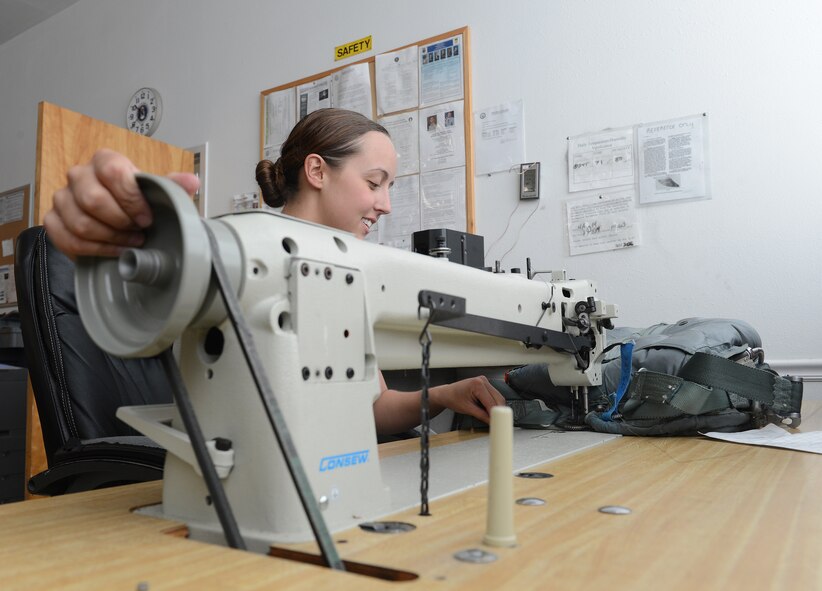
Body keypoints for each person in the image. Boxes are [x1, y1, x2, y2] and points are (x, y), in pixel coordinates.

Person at [45, 108, 505, 436]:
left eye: (389, 188)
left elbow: (373, 409)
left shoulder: (343, 270)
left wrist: (443, 395)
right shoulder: (237, 253)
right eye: (373, 183)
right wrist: (111, 224)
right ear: (317, 172)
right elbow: (137, 264)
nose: (385, 204)